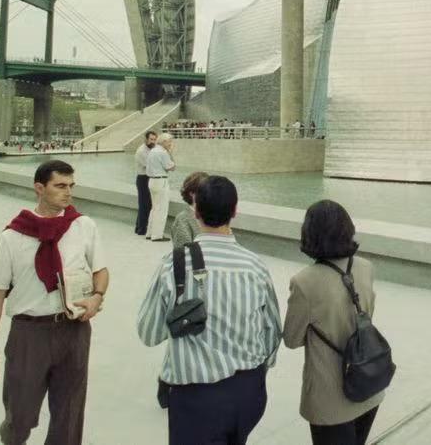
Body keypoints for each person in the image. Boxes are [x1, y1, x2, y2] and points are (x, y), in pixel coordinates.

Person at [137, 175, 281, 444]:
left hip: (195, 397)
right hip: (248, 392)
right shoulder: (255, 266)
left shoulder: (174, 264)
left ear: (195, 210)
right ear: (235, 211)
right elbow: (272, 331)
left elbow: (148, 332)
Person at [0, 159, 110, 445]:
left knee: (69, 415)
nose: (68, 193)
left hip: (73, 330)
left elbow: (100, 269)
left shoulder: (83, 226)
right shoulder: (11, 236)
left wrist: (96, 297)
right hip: (29, 334)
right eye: (60, 186)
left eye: (71, 186)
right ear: (39, 188)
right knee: (20, 416)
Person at [283, 200, 383, 445]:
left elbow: (291, 340)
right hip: (369, 385)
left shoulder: (304, 282)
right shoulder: (366, 268)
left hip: (330, 400)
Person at [144, 134, 176, 241]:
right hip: (161, 181)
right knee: (161, 209)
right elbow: (171, 167)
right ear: (164, 142)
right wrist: (171, 153)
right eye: (169, 142)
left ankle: (150, 232)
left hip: (152, 181)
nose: (171, 144)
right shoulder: (163, 152)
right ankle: (157, 235)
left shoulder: (152, 151)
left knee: (154, 208)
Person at [170, 171, 208, 251]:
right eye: (204, 190)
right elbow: (182, 252)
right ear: (191, 193)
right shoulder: (183, 219)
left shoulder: (212, 214)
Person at [133, 132, 158, 236]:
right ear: (146, 139)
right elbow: (150, 166)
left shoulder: (152, 149)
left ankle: (139, 227)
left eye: (154, 139)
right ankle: (141, 229)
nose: (153, 142)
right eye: (151, 139)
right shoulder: (141, 151)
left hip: (148, 178)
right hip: (143, 179)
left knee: (147, 204)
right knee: (144, 205)